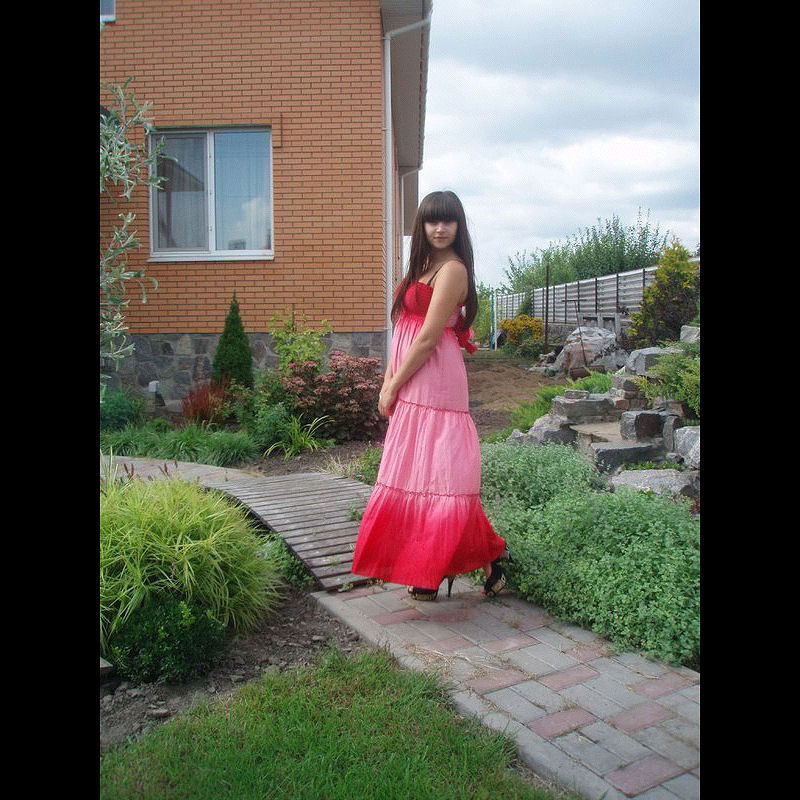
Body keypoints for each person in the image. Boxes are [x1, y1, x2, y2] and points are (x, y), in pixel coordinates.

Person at [351, 190, 511, 601]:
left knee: (441, 479)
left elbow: (425, 339)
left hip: (435, 380)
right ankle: (467, 560)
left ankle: (435, 568)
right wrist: (389, 379)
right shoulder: (421, 267)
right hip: (411, 377)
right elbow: (402, 331)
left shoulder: (453, 270)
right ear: (421, 225)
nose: (440, 228)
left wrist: (392, 385)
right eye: (431, 221)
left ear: (458, 226)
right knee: (418, 476)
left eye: (447, 220)